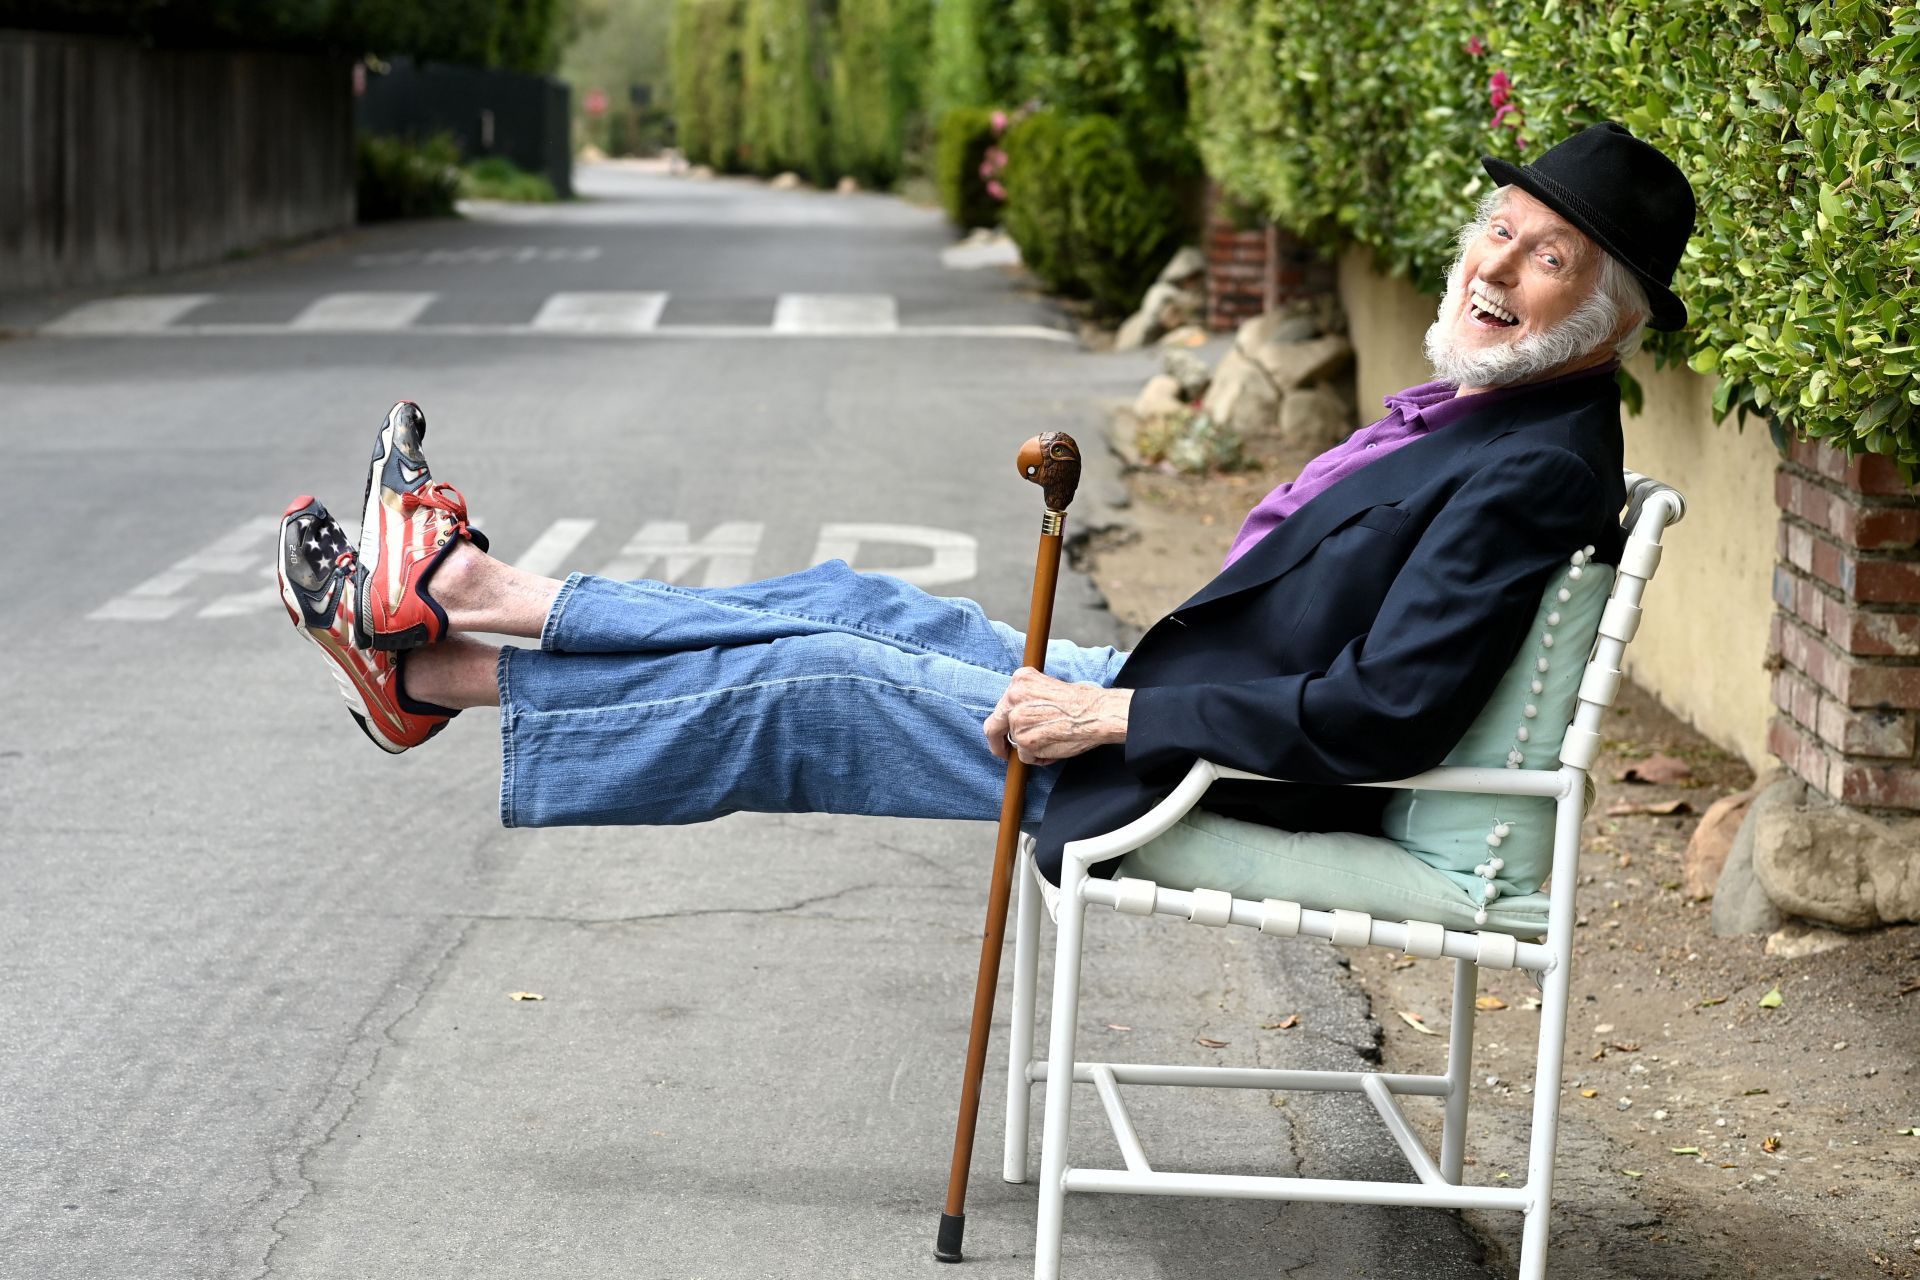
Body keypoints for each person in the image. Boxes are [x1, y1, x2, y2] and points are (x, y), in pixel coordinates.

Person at [277, 122, 1696, 883]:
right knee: (851, 604)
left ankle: (449, 646)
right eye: (1500, 227)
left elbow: (1385, 713)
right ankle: (465, 616)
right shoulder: (1506, 414)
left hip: (1200, 765)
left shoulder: (1527, 465)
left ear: (1612, 315)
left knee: (820, 682)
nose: (1496, 265)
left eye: (1551, 256)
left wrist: (1113, 714)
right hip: (1190, 701)